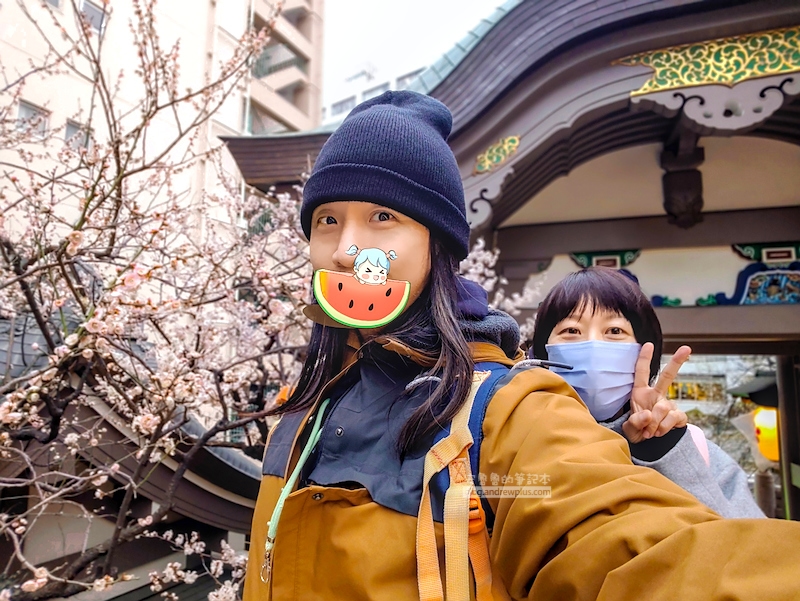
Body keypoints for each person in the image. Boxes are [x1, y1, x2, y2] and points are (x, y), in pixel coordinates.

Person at [244, 90, 800, 601]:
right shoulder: (301, 411)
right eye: (327, 220)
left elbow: (640, 552)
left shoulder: (510, 408)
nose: (345, 250)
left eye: (382, 217)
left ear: (437, 246)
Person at [529, 267, 764, 519]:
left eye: (615, 331)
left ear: (644, 351)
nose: (594, 346)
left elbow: (743, 545)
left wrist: (661, 448)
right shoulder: (517, 442)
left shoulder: (691, 448)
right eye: (572, 331)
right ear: (543, 352)